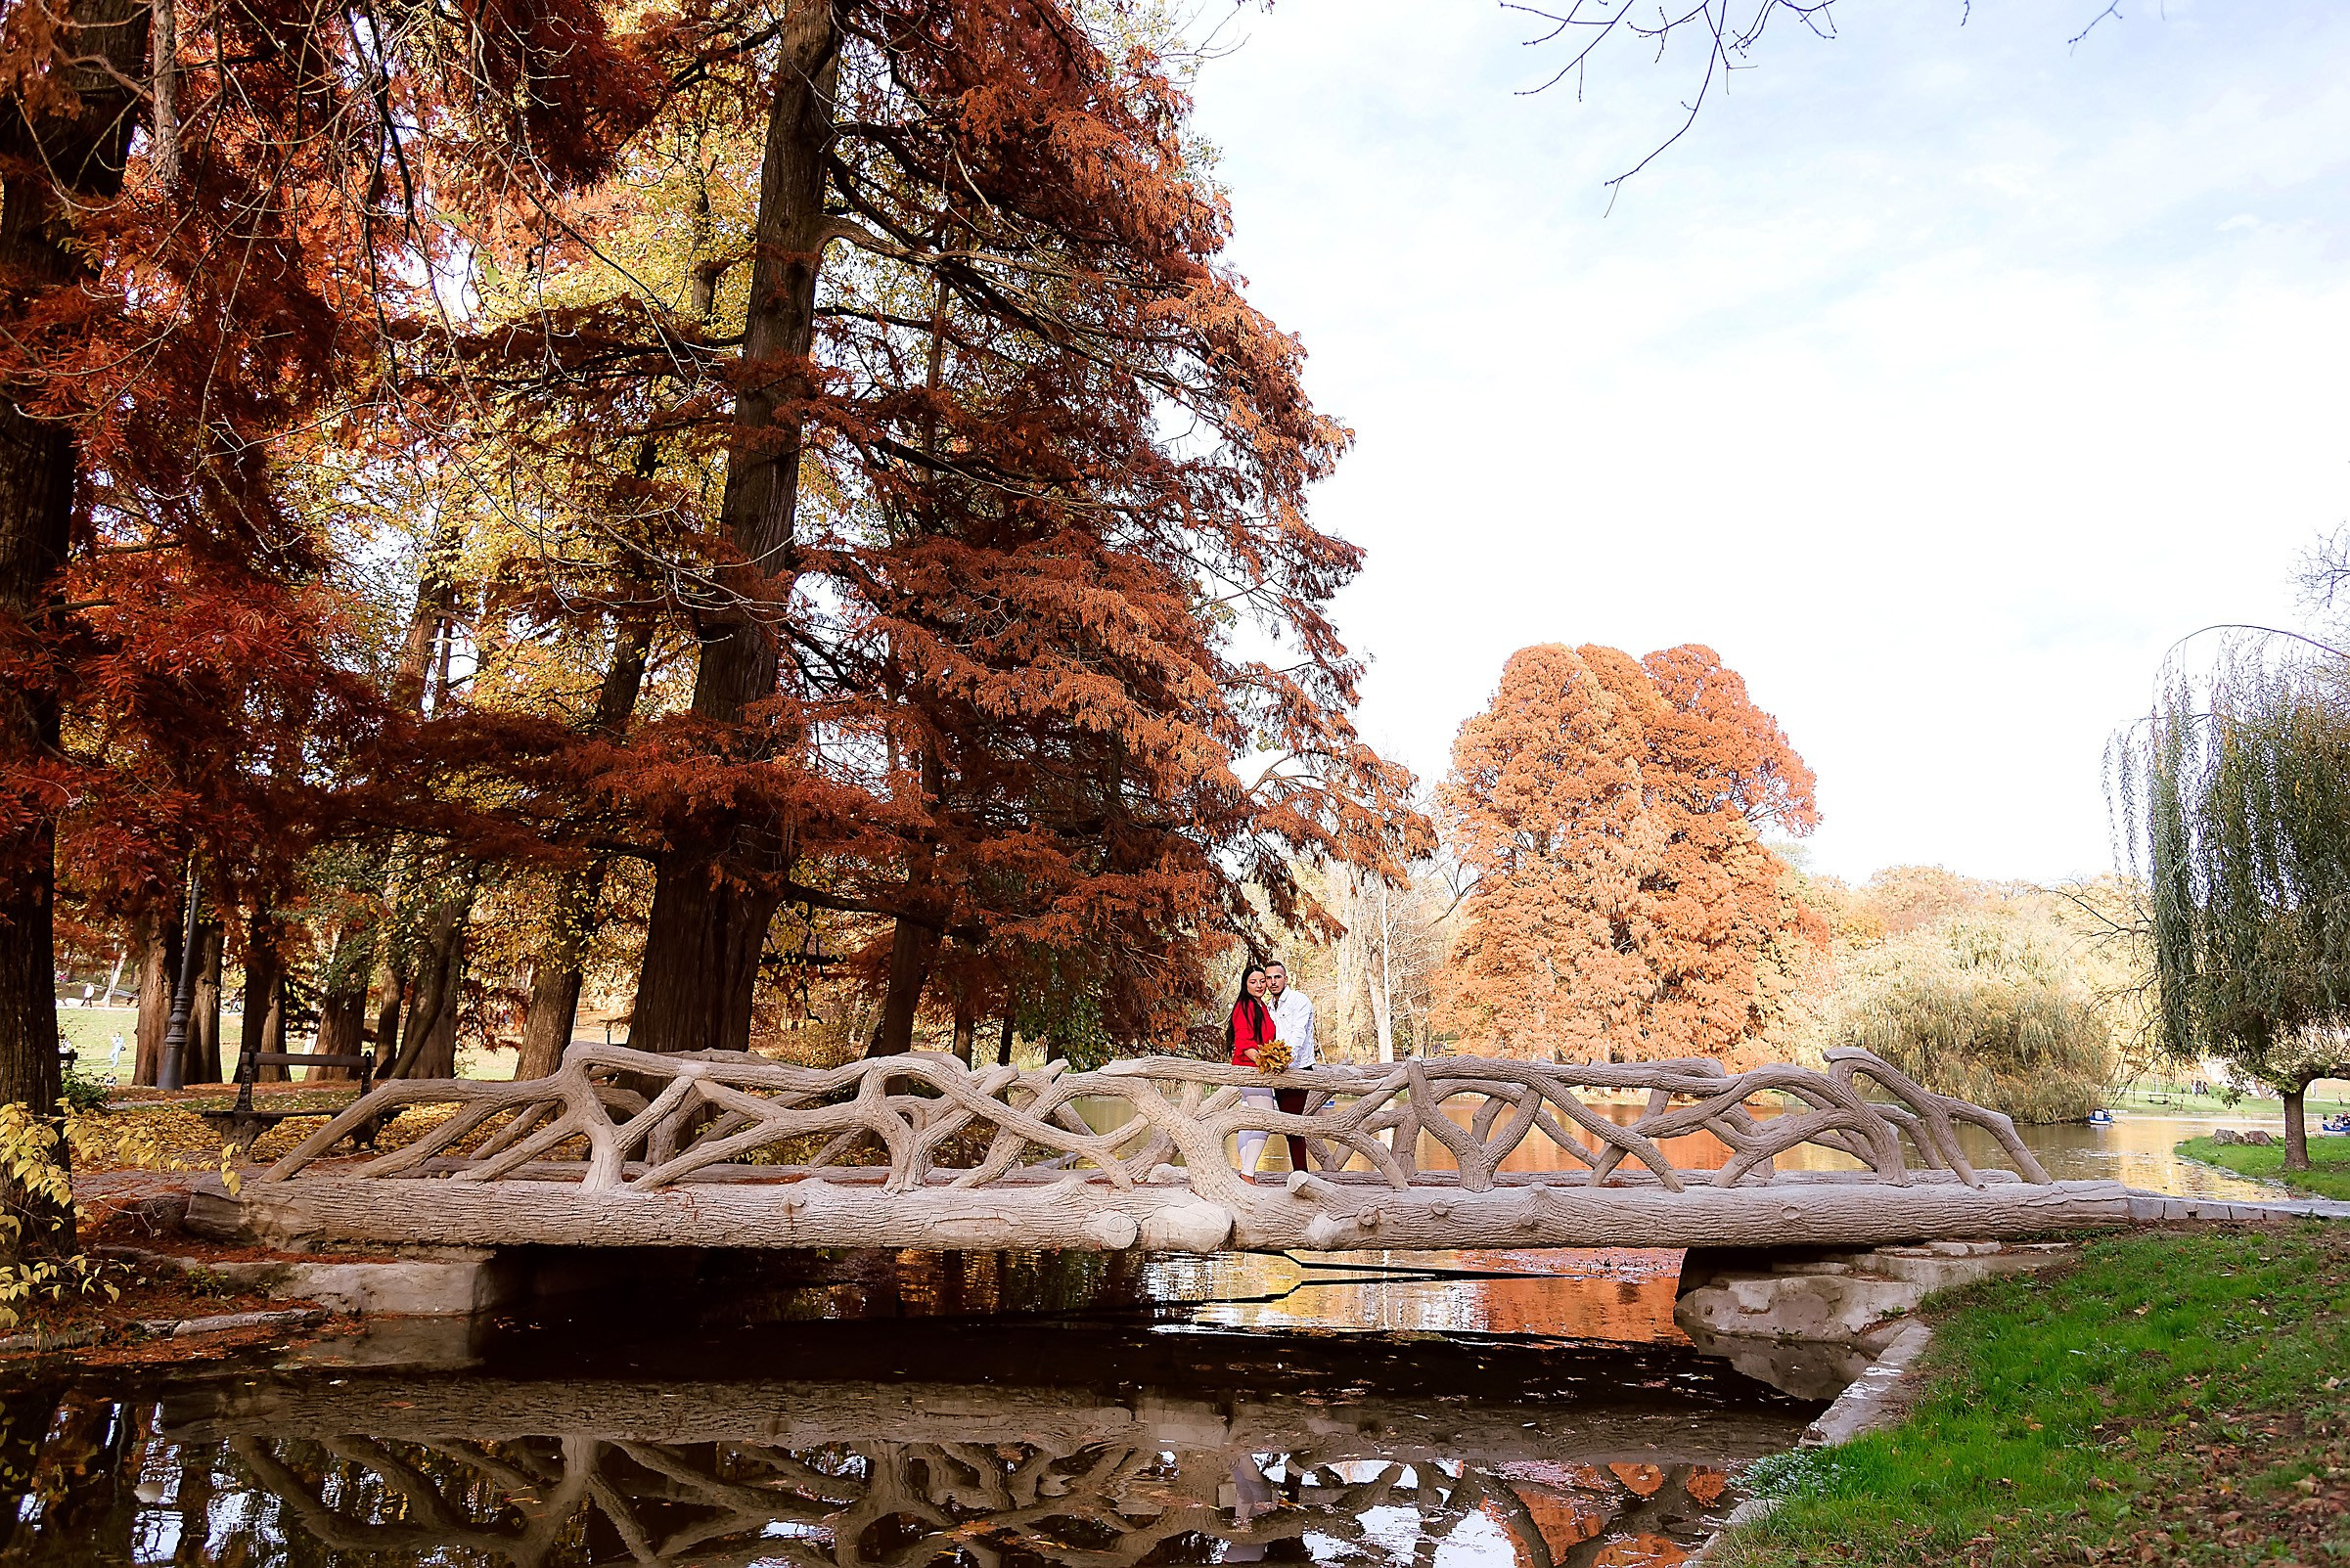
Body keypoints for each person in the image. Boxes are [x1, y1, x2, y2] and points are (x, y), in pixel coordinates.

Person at [1227, 963, 1279, 1179]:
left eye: (1261, 981)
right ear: (1245, 984)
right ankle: (1247, 1173)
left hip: (1258, 1070)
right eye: (1253, 982)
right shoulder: (1244, 1006)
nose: (1259, 985)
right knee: (1266, 1119)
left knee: (1251, 1121)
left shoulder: (1262, 1007)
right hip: (1249, 1070)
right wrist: (1266, 1064)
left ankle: (1246, 1171)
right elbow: (1245, 1043)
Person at [1262, 960, 1316, 1173]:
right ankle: (1299, 1173)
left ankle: (1301, 1174)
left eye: (1277, 977)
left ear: (1286, 979)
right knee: (1287, 1125)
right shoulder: (1268, 1006)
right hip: (1278, 1070)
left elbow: (1298, 1034)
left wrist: (1286, 1059)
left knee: (1292, 1124)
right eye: (1269, 978)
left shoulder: (1298, 1001)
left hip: (1298, 1069)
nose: (1273, 982)